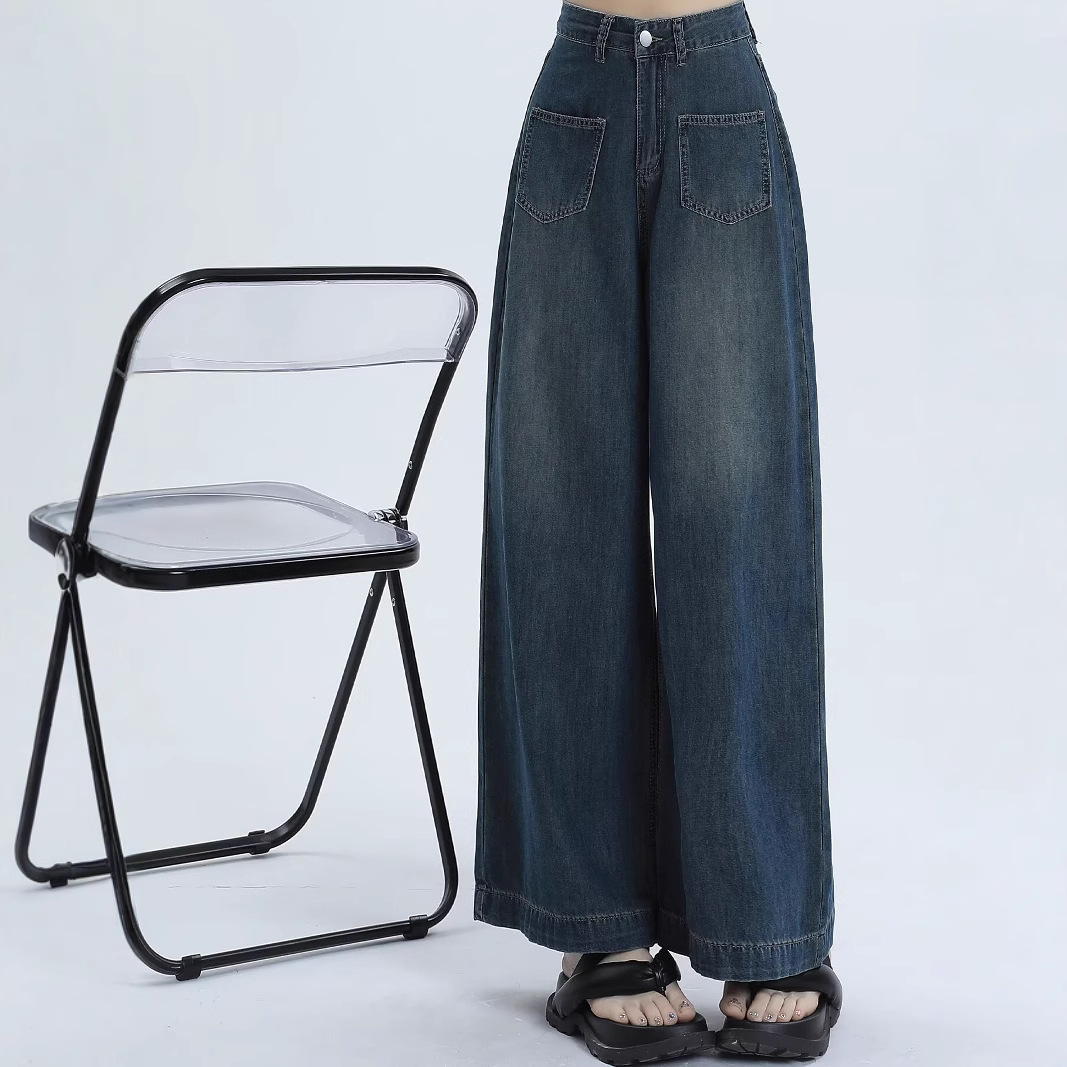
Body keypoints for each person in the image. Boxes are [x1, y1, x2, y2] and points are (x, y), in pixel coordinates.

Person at [474, 0, 843, 1060]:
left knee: (740, 531)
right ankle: (593, 929)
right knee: (560, 518)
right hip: (575, 100)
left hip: (721, 92)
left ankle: (765, 921)